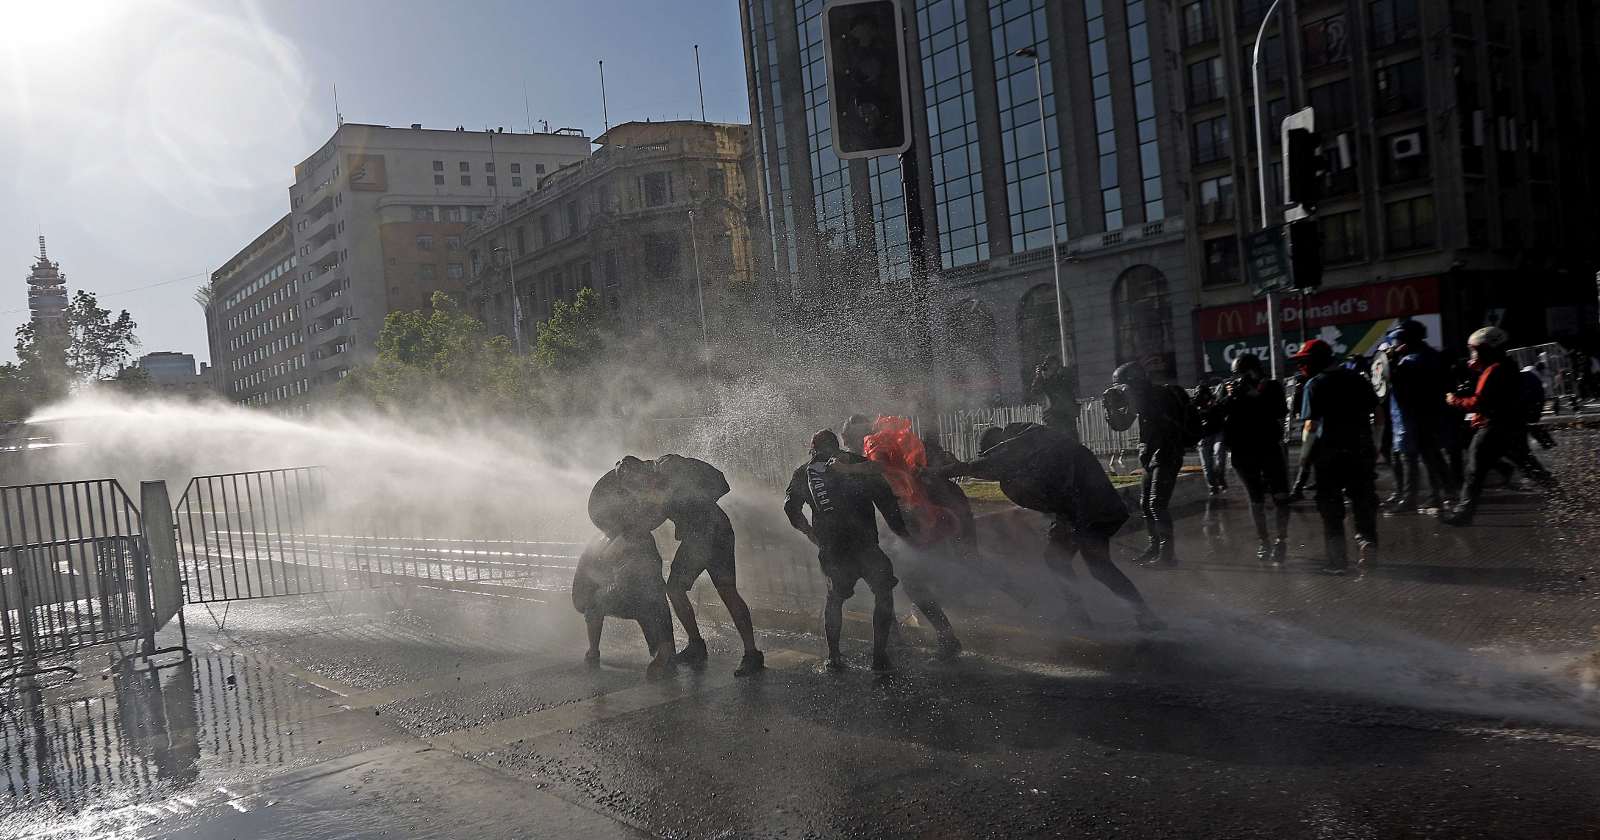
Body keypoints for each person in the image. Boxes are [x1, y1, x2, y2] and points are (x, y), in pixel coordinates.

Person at [939, 422, 1162, 631]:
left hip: (1090, 508)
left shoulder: (1022, 442)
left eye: (994, 455)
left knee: (1099, 566)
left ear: (999, 448)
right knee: (1056, 559)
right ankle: (1079, 614)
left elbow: (996, 464)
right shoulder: (1032, 448)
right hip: (1080, 509)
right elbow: (1052, 493)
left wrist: (950, 470)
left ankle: (1146, 615)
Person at [616, 454, 764, 677]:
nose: (634, 490)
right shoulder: (651, 487)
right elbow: (655, 516)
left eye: (632, 484)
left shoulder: (669, 466)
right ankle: (696, 645)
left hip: (714, 533)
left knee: (726, 591)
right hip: (696, 538)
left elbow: (718, 483)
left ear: (639, 472)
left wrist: (698, 508)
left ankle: (752, 654)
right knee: (675, 589)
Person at [838, 415, 963, 660]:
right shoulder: (870, 450)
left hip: (901, 524)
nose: (847, 445)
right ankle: (898, 637)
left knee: (909, 583)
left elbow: (882, 474)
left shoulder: (872, 448)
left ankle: (945, 637)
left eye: (848, 438)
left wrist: (848, 469)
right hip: (893, 526)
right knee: (885, 583)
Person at [784, 429, 909, 672]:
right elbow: (886, 499)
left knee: (834, 599)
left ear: (812, 448)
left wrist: (811, 534)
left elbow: (791, 509)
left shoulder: (804, 473)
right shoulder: (856, 463)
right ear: (837, 445)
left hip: (833, 550)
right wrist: (901, 531)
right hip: (865, 546)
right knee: (883, 593)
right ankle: (879, 656)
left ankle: (834, 657)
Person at [1442, 327, 1556, 526]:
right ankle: (1563, 498)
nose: (1473, 355)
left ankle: (1463, 513)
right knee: (1529, 466)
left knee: (1474, 471)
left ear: (1488, 349)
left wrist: (1455, 400)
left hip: (1493, 427)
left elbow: (1479, 402)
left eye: (1476, 350)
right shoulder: (1507, 365)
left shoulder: (1494, 369)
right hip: (1512, 426)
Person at [576, 463, 676, 679]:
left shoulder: (626, 537)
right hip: (637, 594)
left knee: (646, 600)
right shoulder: (623, 536)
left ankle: (662, 651)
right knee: (649, 603)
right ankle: (663, 650)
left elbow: (598, 574)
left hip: (639, 594)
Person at [1293, 339, 1380, 574]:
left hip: (1329, 457)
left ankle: (1337, 562)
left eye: (1304, 362)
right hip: (1360, 451)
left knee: (1331, 509)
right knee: (1362, 501)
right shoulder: (1357, 379)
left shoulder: (1314, 385)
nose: (1301, 367)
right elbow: (1376, 413)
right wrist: (1376, 445)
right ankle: (1366, 542)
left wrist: (1303, 464)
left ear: (1315, 362)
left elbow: (1311, 427)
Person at [1103, 362, 1194, 566]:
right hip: (1151, 456)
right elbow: (1121, 425)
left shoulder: (1159, 396)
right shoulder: (1140, 398)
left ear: (1134, 382)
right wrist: (1110, 408)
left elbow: (1154, 414)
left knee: (1156, 504)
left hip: (1167, 454)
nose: (1121, 390)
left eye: (1122, 385)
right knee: (1146, 504)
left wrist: (1130, 400)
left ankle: (1167, 555)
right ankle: (1154, 548)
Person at [1210, 353, 1291, 564]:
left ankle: (1281, 540)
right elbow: (1217, 416)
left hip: (1269, 447)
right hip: (1242, 451)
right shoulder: (1230, 390)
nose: (1241, 379)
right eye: (1237, 375)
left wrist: (1256, 395)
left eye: (1244, 374)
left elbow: (1280, 411)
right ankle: (1264, 541)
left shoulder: (1271, 387)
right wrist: (1228, 397)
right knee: (1255, 498)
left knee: (1280, 495)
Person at [1384, 319, 1453, 513]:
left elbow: (1395, 379)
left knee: (1411, 457)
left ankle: (1410, 498)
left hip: (1414, 416)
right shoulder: (1427, 355)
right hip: (1424, 414)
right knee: (1431, 456)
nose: (1395, 345)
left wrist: (1390, 360)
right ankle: (1444, 492)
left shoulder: (1414, 360)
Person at [1027, 355, 1080, 440]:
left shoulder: (1063, 376)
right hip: (1053, 416)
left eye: (1051, 365)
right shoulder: (1045, 380)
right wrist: (1039, 376)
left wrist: (1053, 375)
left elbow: (1070, 385)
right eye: (1048, 365)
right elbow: (1035, 391)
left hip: (1067, 415)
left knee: (1071, 441)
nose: (1049, 368)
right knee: (1055, 441)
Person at [1192, 380, 1228, 495]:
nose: (1202, 398)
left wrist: (1213, 405)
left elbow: (1221, 411)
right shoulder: (1194, 404)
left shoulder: (1215, 402)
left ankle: (1220, 478)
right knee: (1207, 465)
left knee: (1219, 456)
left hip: (1216, 432)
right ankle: (1213, 486)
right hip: (1203, 436)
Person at [1521, 365, 1559, 450]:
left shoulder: (1527, 375)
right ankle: (1548, 442)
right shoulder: (1530, 375)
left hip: (1531, 402)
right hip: (1535, 401)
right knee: (1532, 424)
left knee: (1531, 425)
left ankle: (1547, 443)